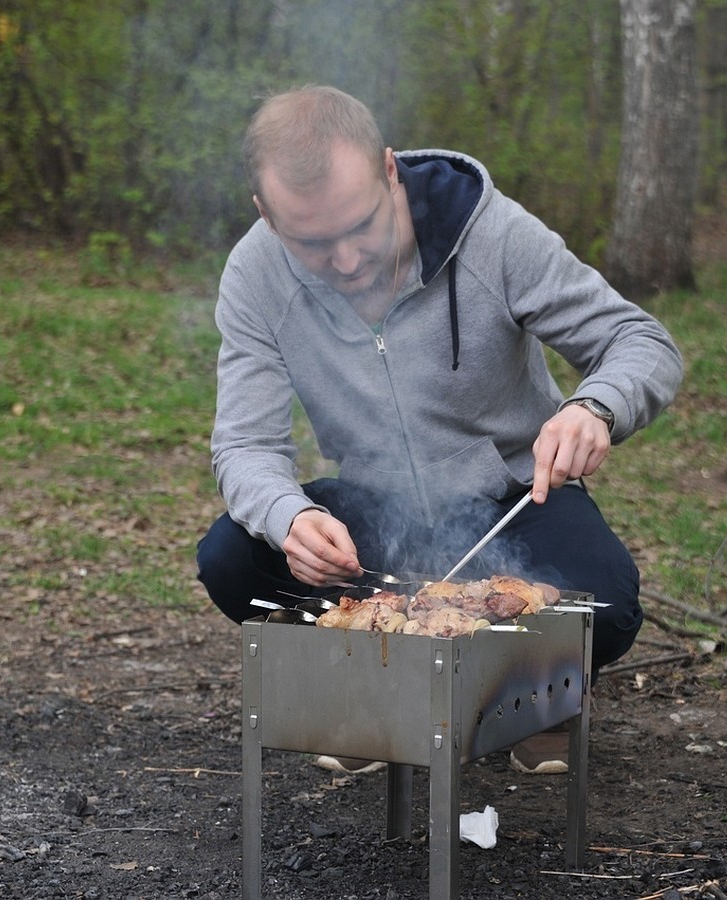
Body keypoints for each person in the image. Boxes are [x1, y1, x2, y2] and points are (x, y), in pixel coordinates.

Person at [196, 85, 683, 774]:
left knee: (605, 605)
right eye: (311, 242)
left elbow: (640, 341)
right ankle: (370, 693)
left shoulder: (490, 233)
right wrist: (288, 516)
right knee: (230, 560)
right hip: (372, 513)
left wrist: (595, 406)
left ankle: (533, 702)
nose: (345, 260)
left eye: (360, 226)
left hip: (515, 502)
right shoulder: (254, 274)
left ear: (389, 171)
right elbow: (245, 444)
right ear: (266, 216)